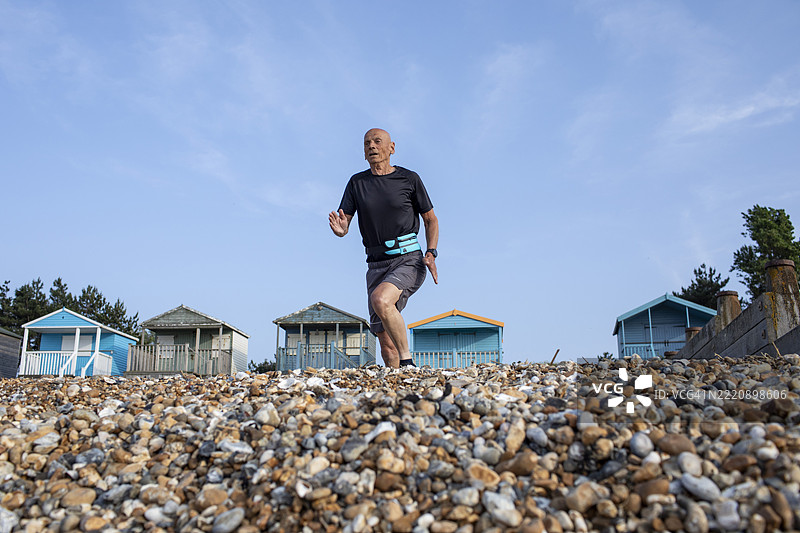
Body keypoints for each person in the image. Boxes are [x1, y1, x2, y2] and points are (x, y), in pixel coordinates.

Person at [329, 128, 439, 368]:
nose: (372, 146)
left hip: (408, 258)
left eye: (378, 142)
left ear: (392, 148)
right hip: (376, 264)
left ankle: (408, 363)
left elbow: (430, 219)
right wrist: (341, 229)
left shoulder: (409, 179)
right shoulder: (357, 183)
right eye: (367, 143)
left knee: (381, 299)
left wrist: (431, 252)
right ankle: (398, 391)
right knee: (386, 343)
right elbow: (344, 220)